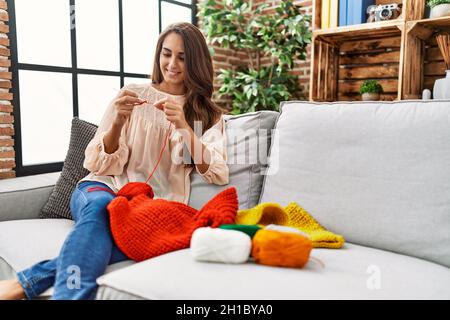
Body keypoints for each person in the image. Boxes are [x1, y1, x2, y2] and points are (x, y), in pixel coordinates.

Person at [0, 22, 229, 300]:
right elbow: (96, 163)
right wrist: (118, 123)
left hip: (150, 208)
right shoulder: (132, 94)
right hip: (102, 187)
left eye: (182, 57)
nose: (172, 63)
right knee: (100, 209)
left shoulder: (207, 115)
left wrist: (184, 126)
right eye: (166, 53)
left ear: (196, 61)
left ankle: (26, 282)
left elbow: (216, 171)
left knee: (110, 235)